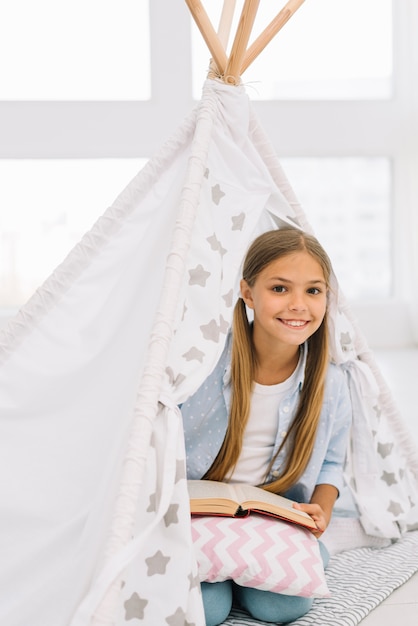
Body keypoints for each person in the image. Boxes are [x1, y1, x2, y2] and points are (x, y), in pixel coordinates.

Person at [181, 228, 352, 625]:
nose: (298, 305)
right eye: (280, 288)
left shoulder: (330, 382)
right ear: (247, 292)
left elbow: (331, 464)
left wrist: (321, 513)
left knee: (284, 607)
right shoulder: (203, 365)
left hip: (273, 515)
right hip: (199, 512)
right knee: (205, 612)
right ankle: (227, 575)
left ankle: (243, 572)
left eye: (313, 291)